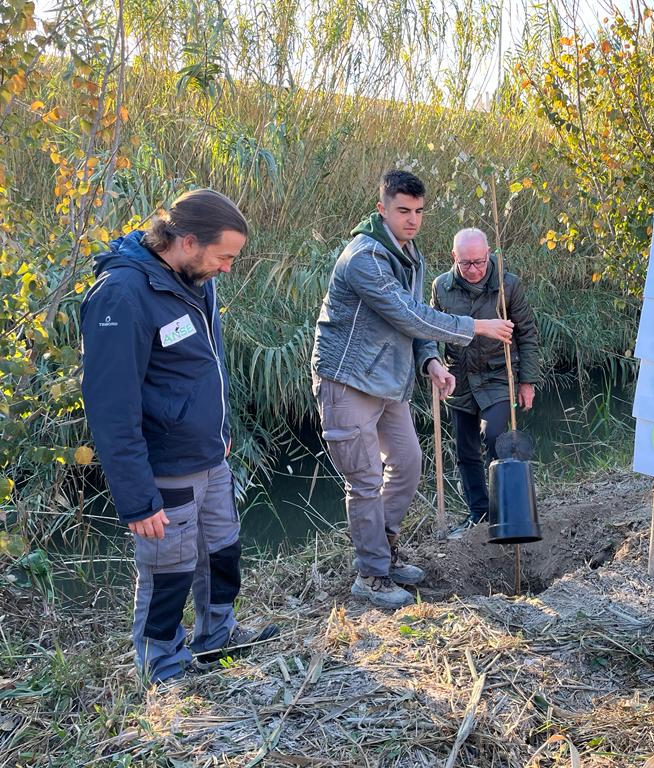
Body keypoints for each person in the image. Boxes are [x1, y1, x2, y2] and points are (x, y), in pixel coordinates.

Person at [80, 189, 278, 685]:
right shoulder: (122, 295)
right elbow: (110, 409)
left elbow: (208, 366)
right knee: (169, 572)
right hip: (165, 469)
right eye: (224, 256)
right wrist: (137, 500)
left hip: (210, 458)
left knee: (222, 550)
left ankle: (217, 637)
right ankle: (163, 667)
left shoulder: (196, 279)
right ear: (188, 241)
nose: (228, 268)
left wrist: (223, 430)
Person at [310, 171, 514, 609]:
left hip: (390, 380)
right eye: (403, 210)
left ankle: (384, 552)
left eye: (419, 211)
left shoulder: (411, 256)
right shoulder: (363, 257)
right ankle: (371, 575)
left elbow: (415, 323)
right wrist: (476, 326)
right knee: (365, 481)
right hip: (346, 380)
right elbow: (408, 314)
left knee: (406, 463)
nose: (412, 220)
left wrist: (432, 361)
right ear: (382, 208)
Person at [430, 228, 541, 539]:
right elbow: (432, 332)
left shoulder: (508, 285)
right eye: (466, 264)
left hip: (499, 374)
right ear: (454, 258)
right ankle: (478, 513)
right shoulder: (442, 287)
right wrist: (435, 366)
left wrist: (528, 380)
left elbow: (528, 335)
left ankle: (508, 509)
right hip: (460, 377)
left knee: (494, 435)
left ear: (489, 253)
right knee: (465, 449)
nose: (475, 270)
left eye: (480, 262)